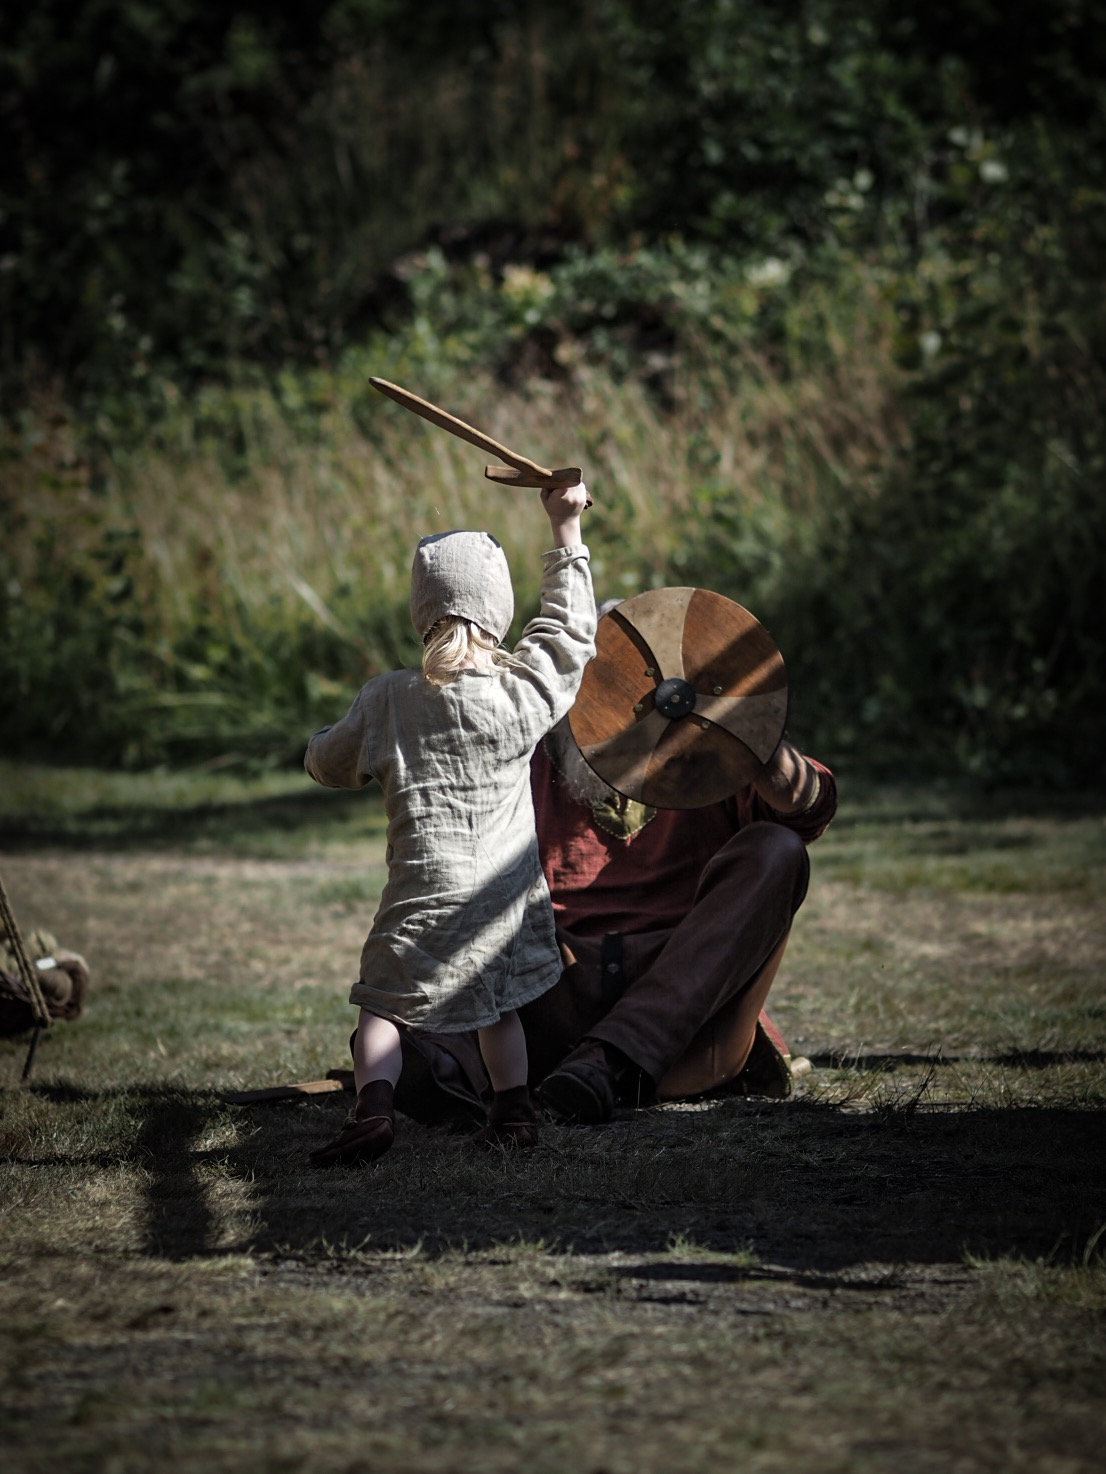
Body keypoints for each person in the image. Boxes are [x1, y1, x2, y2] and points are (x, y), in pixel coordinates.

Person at [386, 630, 837, 1128]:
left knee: (777, 850)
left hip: (687, 1021)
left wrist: (746, 734)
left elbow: (808, 808)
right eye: (600, 688)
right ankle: (441, 1063)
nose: (620, 712)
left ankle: (609, 1062)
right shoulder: (524, 758)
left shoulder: (716, 760)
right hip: (552, 1003)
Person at [304, 481, 595, 1165]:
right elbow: (569, 635)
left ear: (422, 610)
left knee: (383, 1005)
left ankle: (372, 1111)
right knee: (498, 1006)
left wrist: (314, 751)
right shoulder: (520, 693)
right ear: (499, 610)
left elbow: (331, 761)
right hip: (502, 899)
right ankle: (513, 1111)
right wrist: (566, 529)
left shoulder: (387, 699)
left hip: (421, 895)